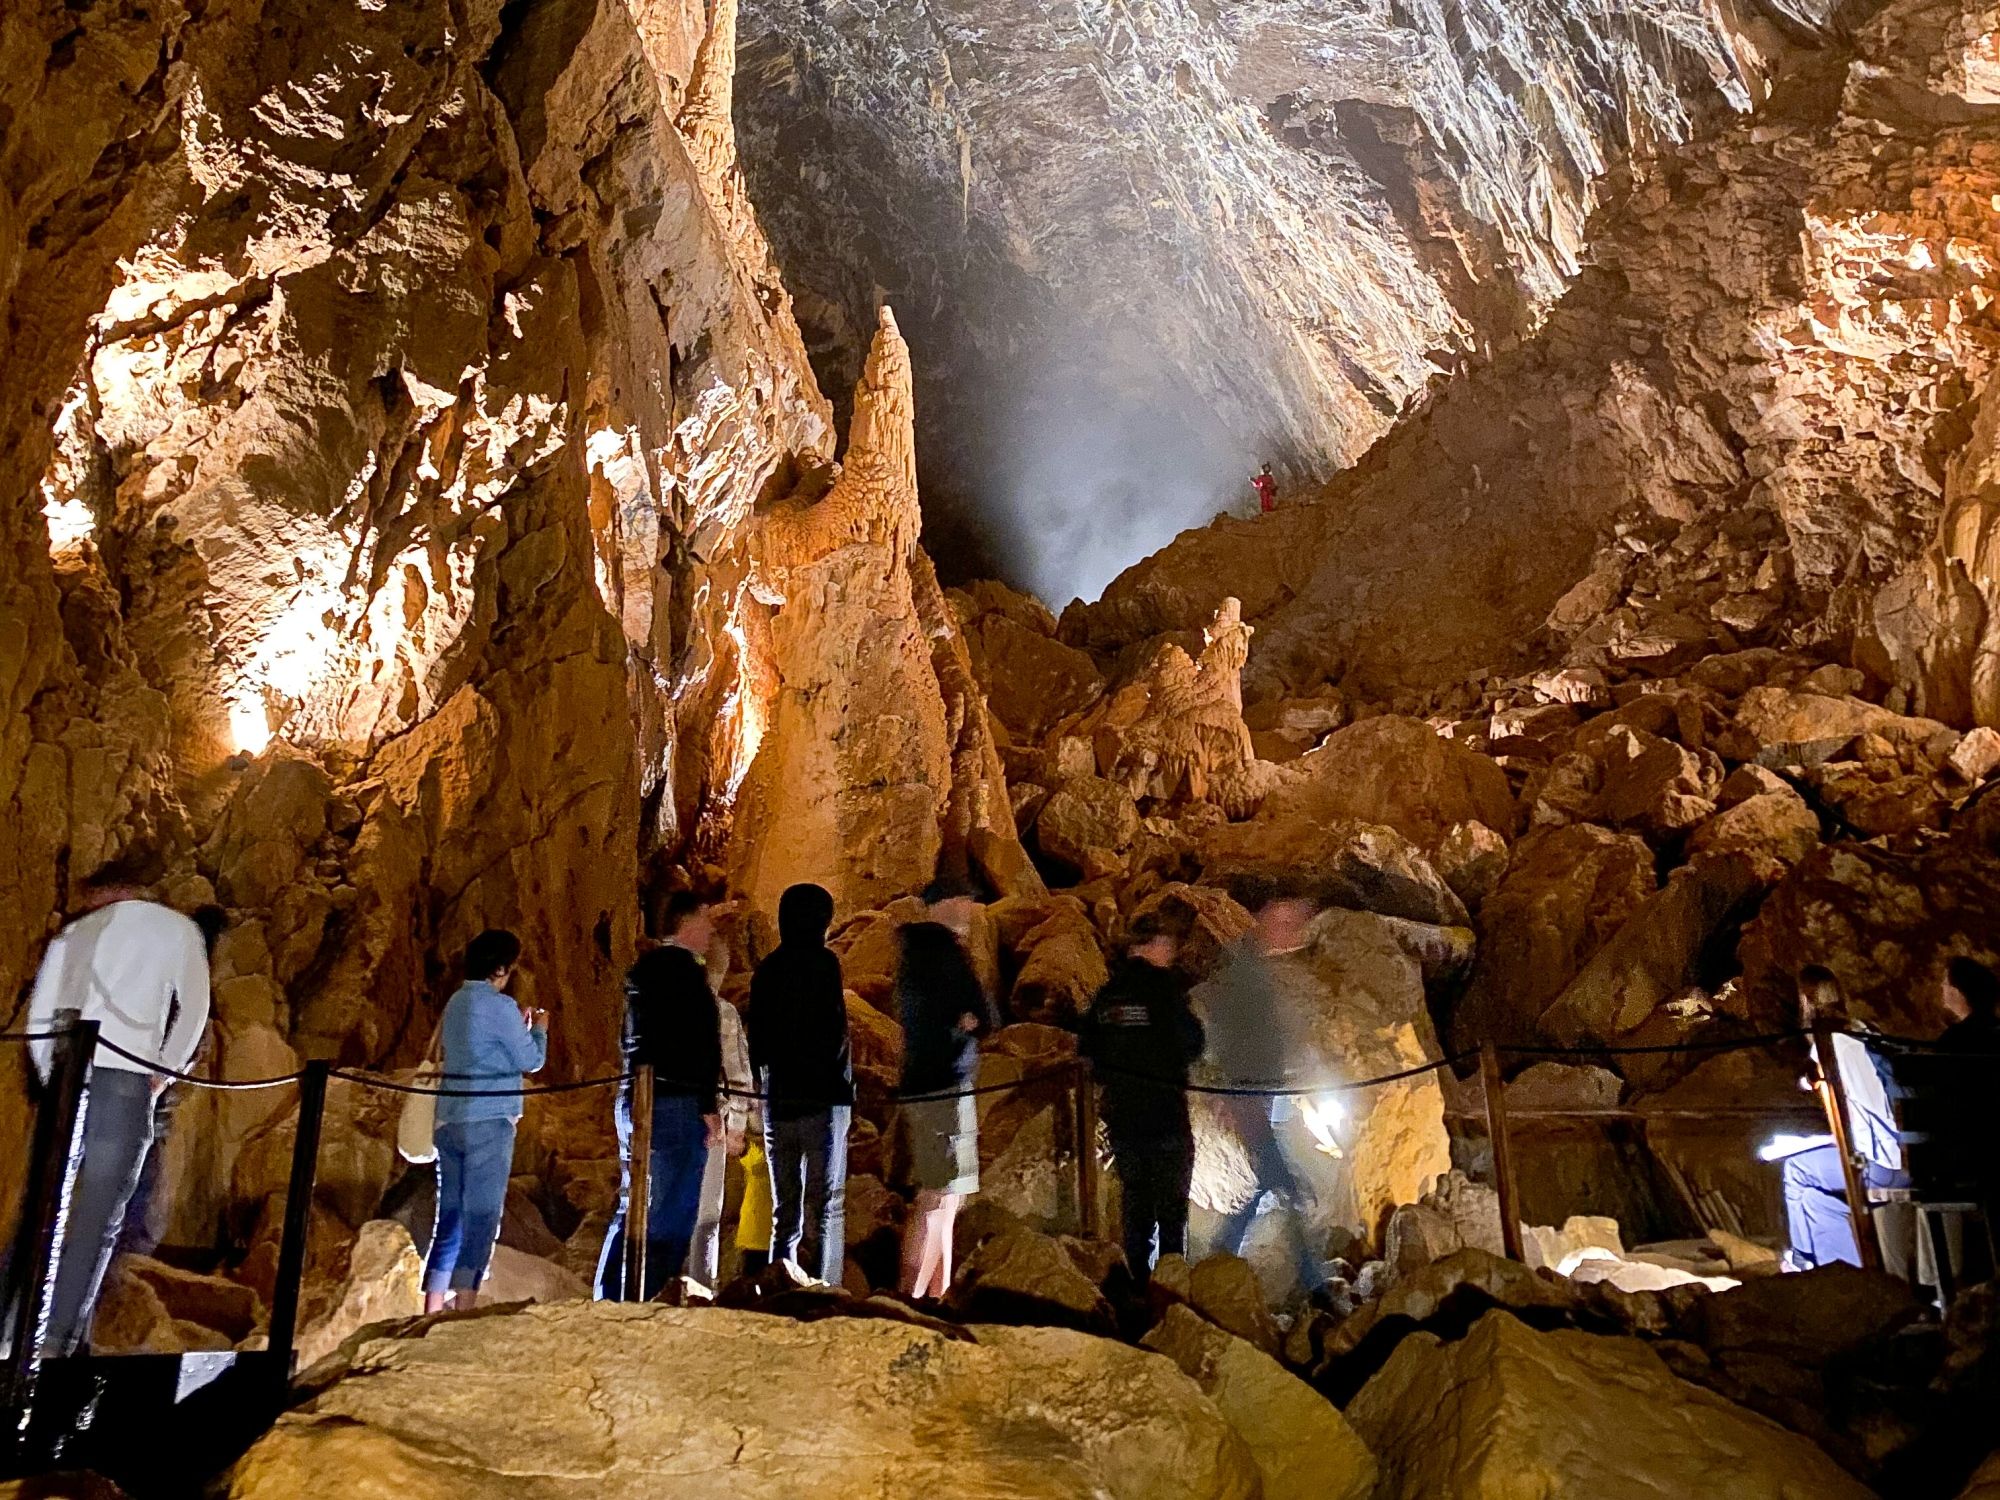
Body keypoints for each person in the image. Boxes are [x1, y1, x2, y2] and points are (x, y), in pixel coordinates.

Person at [25, 885, 213, 1354]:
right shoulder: (178, 930)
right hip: (126, 1077)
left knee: (45, 1207)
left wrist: (52, 1078)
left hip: (69, 1073)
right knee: (97, 1217)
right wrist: (163, 1073)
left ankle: (22, 1324)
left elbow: (39, 1018)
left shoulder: (75, 932)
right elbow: (194, 1011)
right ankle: (58, 1340)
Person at [1200, 887, 1327, 1293]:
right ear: (1269, 918)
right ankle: (1312, 1281)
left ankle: (1224, 1252)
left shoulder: (1251, 967)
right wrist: (1232, 1091)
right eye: (1288, 924)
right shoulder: (1243, 970)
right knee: (1281, 1181)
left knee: (1269, 1180)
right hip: (1249, 1093)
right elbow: (1232, 1031)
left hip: (1257, 1090)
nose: (1293, 935)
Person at [595, 897, 723, 1300]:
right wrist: (709, 1108)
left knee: (633, 1202)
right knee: (671, 1209)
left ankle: (609, 1295)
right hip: (676, 1101)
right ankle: (647, 1296)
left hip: (637, 1095)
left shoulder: (642, 971)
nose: (711, 932)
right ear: (687, 923)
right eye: (705, 922)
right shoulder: (685, 975)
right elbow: (701, 1043)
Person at [423, 929, 546, 1313]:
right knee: (482, 1215)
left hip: (450, 1119)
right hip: (488, 1120)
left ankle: (431, 1302)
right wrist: (539, 1031)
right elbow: (531, 1061)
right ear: (500, 968)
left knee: (451, 1213)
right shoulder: (501, 1007)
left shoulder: (456, 1002)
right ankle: (466, 1303)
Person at [1078, 912, 1204, 1281]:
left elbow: (1089, 1052)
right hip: (1165, 1118)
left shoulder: (1108, 994)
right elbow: (1192, 1043)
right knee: (1171, 1212)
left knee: (1136, 1208)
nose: (1172, 952)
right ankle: (1170, 1286)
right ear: (1149, 946)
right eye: (1167, 944)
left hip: (1124, 1118)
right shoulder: (1164, 991)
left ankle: (1135, 1284)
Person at [1768, 966, 1908, 1272]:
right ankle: (1846, 1266)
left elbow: (1850, 1114)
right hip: (1908, 1153)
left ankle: (1802, 1261)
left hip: (1880, 1163)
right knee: (1813, 1201)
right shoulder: (1864, 1030)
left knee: (1796, 1169)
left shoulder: (1828, 1043)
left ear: (1806, 1001)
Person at [896, 881, 997, 1299]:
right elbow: (978, 1012)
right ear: (940, 906)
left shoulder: (919, 955)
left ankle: (937, 1293)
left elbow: (979, 1015)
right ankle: (914, 1294)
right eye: (962, 902)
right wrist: (966, 1021)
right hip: (945, 1083)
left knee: (949, 1197)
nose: (969, 911)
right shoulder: (941, 955)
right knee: (939, 1194)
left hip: (939, 1080)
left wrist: (970, 1019)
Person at [748, 883, 853, 1282]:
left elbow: (757, 1041)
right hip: (821, 1101)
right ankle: (826, 1287)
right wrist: (844, 1088)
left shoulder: (767, 971)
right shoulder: (824, 965)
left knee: (785, 1210)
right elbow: (835, 1033)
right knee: (825, 1206)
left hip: (780, 1101)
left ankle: (781, 1284)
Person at [688, 900, 753, 1288]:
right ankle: (701, 1284)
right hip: (714, 1116)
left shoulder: (670, 1006)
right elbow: (737, 1073)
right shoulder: (722, 1012)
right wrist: (739, 1126)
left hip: (669, 1112)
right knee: (707, 1213)